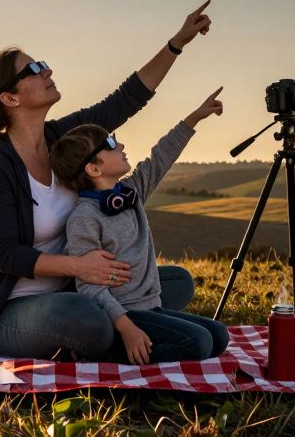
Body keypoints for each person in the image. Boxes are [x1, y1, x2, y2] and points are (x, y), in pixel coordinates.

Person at [0, 1, 213, 360]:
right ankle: (125, 332)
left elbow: (125, 101)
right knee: (88, 321)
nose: (47, 71)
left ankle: (128, 326)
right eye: (34, 69)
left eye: (44, 64)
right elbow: (4, 255)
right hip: (14, 309)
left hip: (78, 287)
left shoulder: (60, 139)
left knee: (176, 282)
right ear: (9, 97)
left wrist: (177, 43)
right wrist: (79, 266)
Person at [53, 90, 230, 365]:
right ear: (93, 169)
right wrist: (127, 328)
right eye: (110, 142)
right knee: (199, 343)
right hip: (122, 313)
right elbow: (89, 287)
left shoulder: (129, 193)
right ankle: (108, 354)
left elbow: (160, 158)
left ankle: (142, 341)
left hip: (150, 306)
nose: (120, 144)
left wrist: (194, 118)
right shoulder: (85, 218)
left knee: (219, 335)